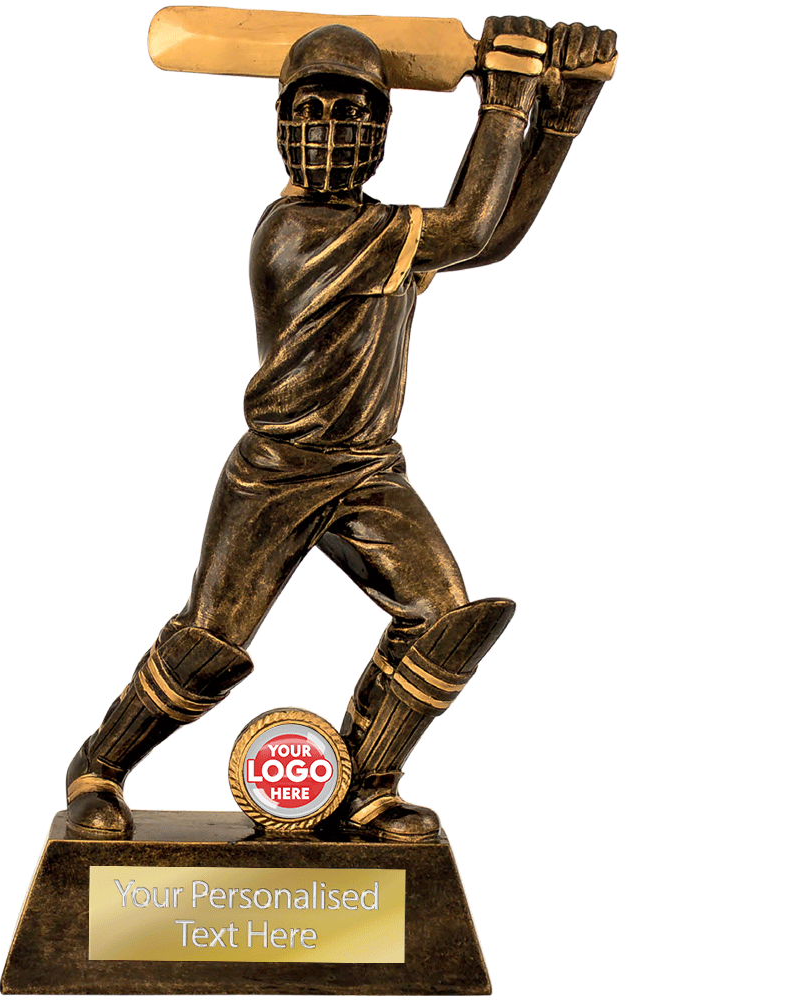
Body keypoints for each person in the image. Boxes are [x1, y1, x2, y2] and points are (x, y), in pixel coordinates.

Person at [65, 16, 615, 841]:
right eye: (312, 110)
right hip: (278, 470)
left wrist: (562, 111)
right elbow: (469, 226)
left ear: (383, 128)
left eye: (353, 111)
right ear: (281, 125)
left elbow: (490, 238)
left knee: (440, 620)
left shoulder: (385, 232)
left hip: (367, 471)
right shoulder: (299, 232)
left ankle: (367, 784)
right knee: (211, 639)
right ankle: (98, 767)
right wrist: (506, 97)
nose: (331, 129)